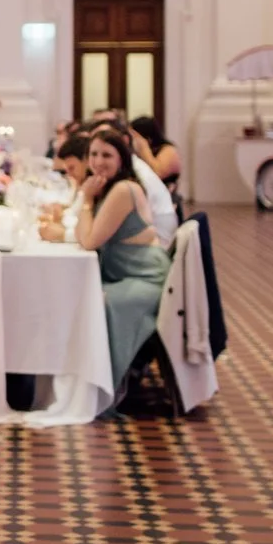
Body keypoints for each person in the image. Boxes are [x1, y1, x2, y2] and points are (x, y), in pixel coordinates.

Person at [76, 127, 172, 398]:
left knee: (98, 303)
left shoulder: (123, 189)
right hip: (125, 274)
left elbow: (89, 240)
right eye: (93, 154)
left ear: (122, 160)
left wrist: (85, 200)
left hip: (145, 278)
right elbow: (81, 233)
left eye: (107, 155)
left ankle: (105, 386)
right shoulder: (107, 187)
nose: (98, 161)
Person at [129, 116, 182, 201]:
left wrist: (143, 148)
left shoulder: (168, 150)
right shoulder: (135, 152)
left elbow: (157, 174)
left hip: (166, 200)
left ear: (148, 138)